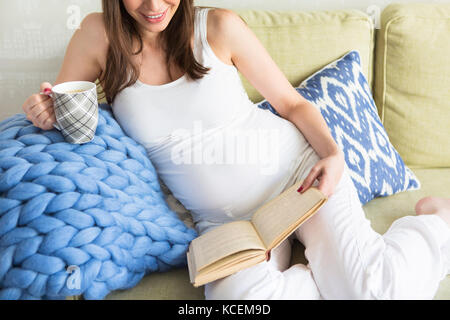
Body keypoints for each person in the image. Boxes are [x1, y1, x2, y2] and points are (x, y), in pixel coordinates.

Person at [21, 0, 450, 299]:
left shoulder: (218, 27)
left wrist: (333, 157)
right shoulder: (97, 36)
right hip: (222, 223)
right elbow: (66, 113)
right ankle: (335, 281)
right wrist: (44, 111)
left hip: (298, 175)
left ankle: (435, 224)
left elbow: (292, 103)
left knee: (376, 292)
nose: (153, 5)